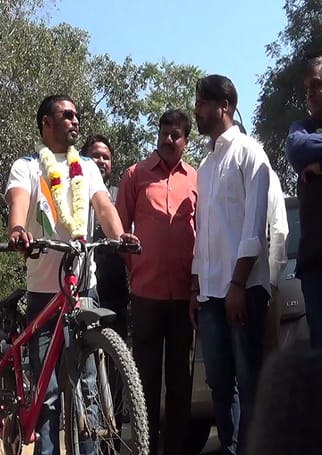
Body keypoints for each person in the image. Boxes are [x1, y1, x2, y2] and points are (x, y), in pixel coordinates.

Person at [5, 94, 139, 455]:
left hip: (84, 290)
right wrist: (17, 229)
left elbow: (104, 207)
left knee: (88, 387)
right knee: (47, 393)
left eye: (77, 115)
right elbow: (18, 201)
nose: (75, 120)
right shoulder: (27, 166)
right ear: (46, 123)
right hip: (44, 292)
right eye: (66, 115)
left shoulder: (87, 167)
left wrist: (120, 237)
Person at [191, 75, 271, 455]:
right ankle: (230, 447)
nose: (197, 110)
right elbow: (204, 233)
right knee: (220, 383)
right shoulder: (205, 166)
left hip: (242, 289)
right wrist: (196, 289)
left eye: (202, 103)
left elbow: (254, 228)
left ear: (224, 106)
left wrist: (237, 285)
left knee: (249, 379)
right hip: (210, 294)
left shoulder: (250, 154)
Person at [116, 109, 197, 455]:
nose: (167, 139)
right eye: (164, 132)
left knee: (180, 383)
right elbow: (119, 231)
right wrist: (137, 269)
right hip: (146, 295)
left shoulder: (196, 179)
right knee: (144, 382)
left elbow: (203, 233)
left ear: (186, 141)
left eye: (175, 134)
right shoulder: (135, 175)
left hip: (184, 297)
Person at [235, 120, 289, 356]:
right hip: (228, 288)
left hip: (262, 283)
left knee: (267, 359)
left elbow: (278, 228)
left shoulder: (264, 173)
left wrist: (272, 282)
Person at [285, 54, 322, 349]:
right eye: (307, 87)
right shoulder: (301, 129)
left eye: (317, 84)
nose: (310, 92)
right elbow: (296, 149)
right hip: (314, 264)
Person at [80, 134, 130, 339]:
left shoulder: (121, 195)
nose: (101, 161)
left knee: (117, 350)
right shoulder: (73, 195)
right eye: (95, 156)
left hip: (115, 289)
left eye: (106, 157)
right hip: (83, 286)